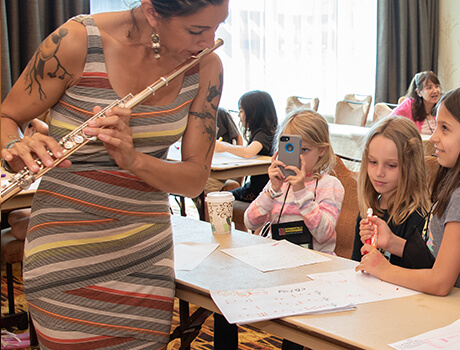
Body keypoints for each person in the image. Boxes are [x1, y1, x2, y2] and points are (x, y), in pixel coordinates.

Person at [0, 0, 226, 347]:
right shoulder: (76, 41)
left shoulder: (206, 67)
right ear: (152, 12)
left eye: (217, 26)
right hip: (64, 253)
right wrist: (15, 146)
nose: (209, 40)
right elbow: (7, 117)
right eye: (197, 30)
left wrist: (133, 159)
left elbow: (194, 179)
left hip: (145, 256)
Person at [356, 86, 460, 296]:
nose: (433, 138)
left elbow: (440, 282)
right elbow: (435, 255)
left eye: (445, 128)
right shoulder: (459, 187)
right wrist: (392, 242)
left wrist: (385, 269)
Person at [243, 109, 344, 254]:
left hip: (315, 262)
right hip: (278, 259)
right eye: (289, 149)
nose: (297, 156)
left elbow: (323, 235)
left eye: (304, 150)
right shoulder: (279, 184)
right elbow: (250, 223)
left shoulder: (330, 185)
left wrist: (301, 193)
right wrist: (272, 190)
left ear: (322, 150)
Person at [351, 116, 430, 267]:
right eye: (373, 162)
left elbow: (424, 273)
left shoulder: (418, 217)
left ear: (411, 167)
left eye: (391, 165)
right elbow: (356, 263)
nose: (379, 172)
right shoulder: (367, 212)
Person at [213, 90, 278, 231]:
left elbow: (248, 152)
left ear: (254, 113)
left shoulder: (263, 134)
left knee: (220, 200)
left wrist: (224, 146)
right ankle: (241, 232)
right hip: (261, 188)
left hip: (259, 190)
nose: (239, 116)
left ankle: (226, 234)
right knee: (228, 194)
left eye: (241, 111)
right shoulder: (270, 132)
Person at [390, 71, 441, 135]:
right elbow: (390, 122)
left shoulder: (442, 106)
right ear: (419, 92)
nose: (435, 91)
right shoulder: (409, 105)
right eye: (429, 88)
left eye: (436, 86)